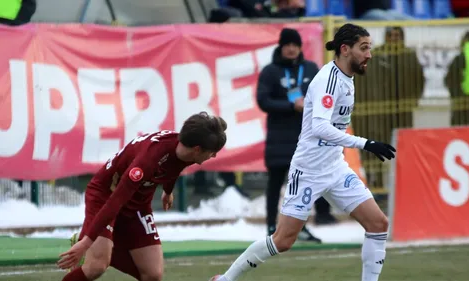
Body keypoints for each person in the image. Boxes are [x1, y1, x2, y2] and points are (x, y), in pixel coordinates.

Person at [209, 23, 396, 281]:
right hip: (308, 170)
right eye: (364, 48)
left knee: (378, 224)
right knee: (283, 240)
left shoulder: (347, 78)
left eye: (370, 48)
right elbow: (320, 127)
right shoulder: (328, 80)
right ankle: (226, 279)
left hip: (335, 166)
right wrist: (365, 143)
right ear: (345, 49)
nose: (369, 55)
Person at [57, 112, 227, 281]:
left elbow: (174, 166)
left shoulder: (185, 148)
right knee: (96, 266)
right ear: (197, 149)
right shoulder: (149, 160)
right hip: (106, 195)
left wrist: (168, 191)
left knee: (153, 275)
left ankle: (95, 242)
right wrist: (86, 242)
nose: (214, 156)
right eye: (213, 152)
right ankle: (89, 241)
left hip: (138, 202)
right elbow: (115, 202)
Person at [257, 27, 337, 244]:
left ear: (300, 47)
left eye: (295, 45)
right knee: (275, 183)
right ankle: (272, 226)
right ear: (281, 47)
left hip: (306, 137)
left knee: (304, 184)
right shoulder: (270, 71)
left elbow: (326, 95)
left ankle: (298, 227)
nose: (291, 49)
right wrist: (291, 105)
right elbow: (263, 101)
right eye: (287, 45)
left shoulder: (311, 68)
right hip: (278, 137)